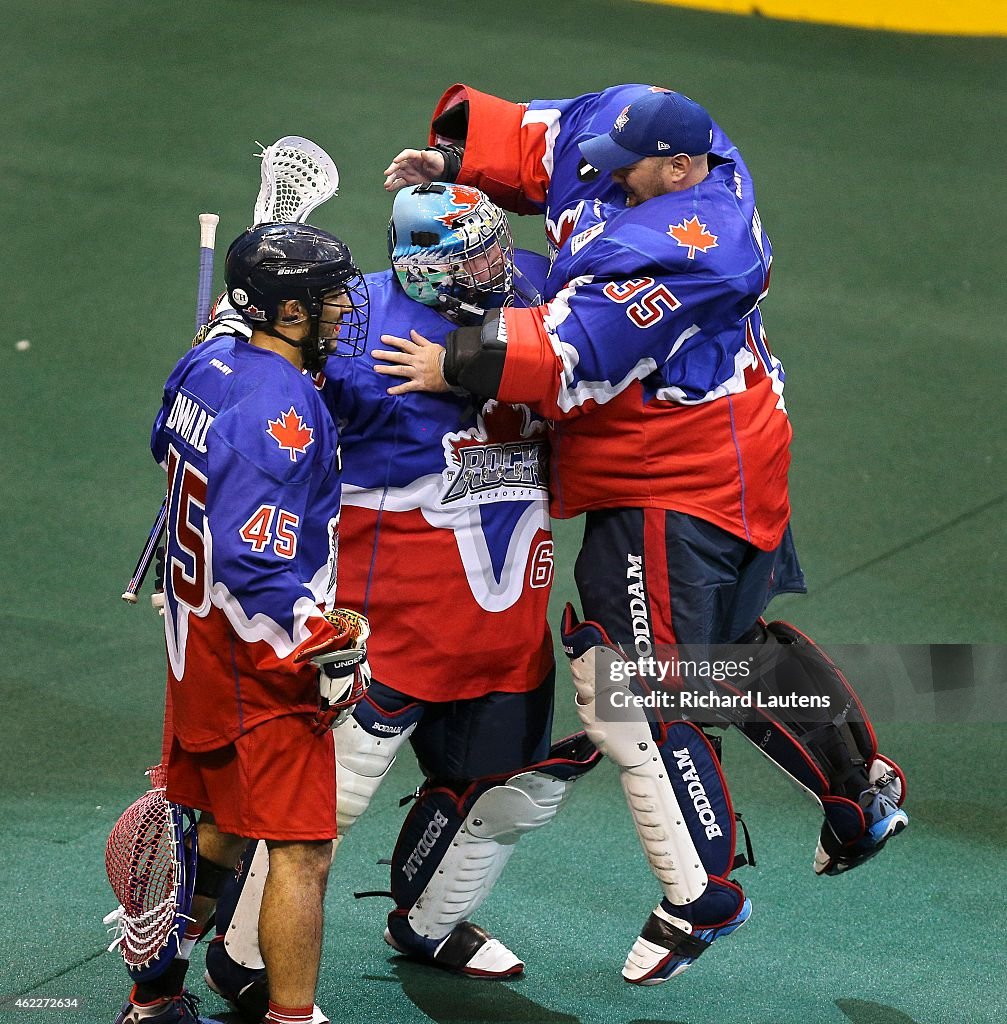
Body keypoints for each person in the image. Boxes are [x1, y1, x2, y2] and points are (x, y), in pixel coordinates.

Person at [379, 84, 909, 985]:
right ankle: (859, 792)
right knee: (721, 650)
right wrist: (459, 167)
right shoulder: (657, 133)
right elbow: (547, 137)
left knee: (628, 682)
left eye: (628, 174)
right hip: (739, 450)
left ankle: (698, 896)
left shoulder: (691, 252)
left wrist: (450, 359)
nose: (606, 180)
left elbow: (565, 359)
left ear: (679, 170)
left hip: (672, 479)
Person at [198, 185, 599, 1023]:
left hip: (502, 618)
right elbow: (261, 414)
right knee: (322, 807)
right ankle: (243, 958)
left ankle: (431, 922)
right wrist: (233, 350)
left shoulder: (534, 289)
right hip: (387, 624)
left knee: (498, 788)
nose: (500, 267)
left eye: (496, 247)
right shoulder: (346, 328)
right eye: (473, 256)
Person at [115, 223, 371, 1024]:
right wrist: (317, 647)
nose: (343, 310)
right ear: (289, 310)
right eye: (330, 297)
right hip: (257, 659)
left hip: (195, 650)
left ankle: (154, 998)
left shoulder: (205, 362)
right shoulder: (282, 406)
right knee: (303, 850)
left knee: (222, 825)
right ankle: (295, 1017)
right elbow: (254, 559)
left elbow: (165, 439)